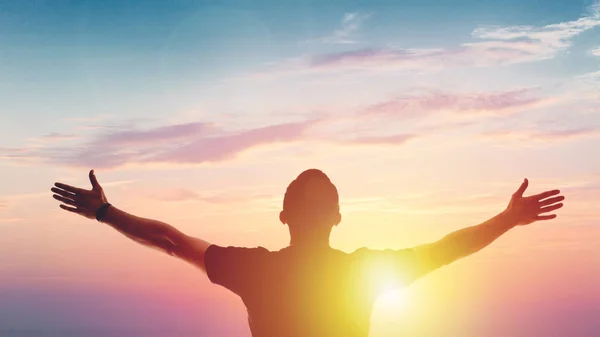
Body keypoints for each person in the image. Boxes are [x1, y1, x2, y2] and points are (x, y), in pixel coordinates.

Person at [51, 168, 564, 337]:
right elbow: (445, 250)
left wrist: (105, 213)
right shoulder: (364, 272)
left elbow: (171, 241)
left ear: (283, 217)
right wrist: (506, 219)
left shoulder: (254, 268)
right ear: (338, 218)